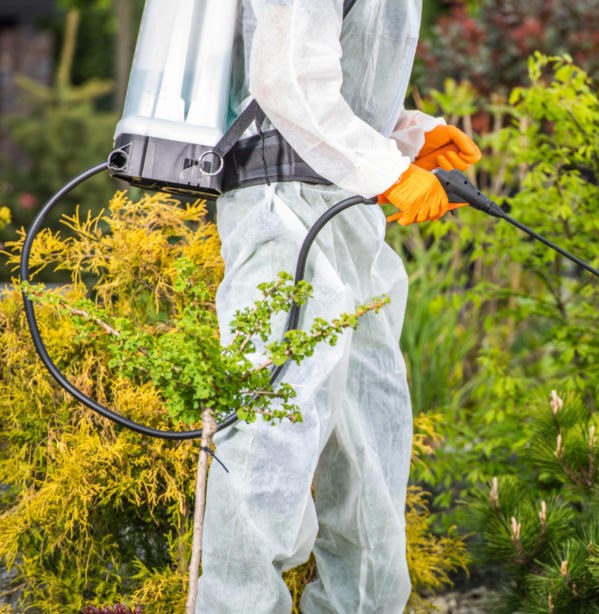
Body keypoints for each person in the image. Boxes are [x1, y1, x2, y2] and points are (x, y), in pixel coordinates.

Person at [194, 1, 480, 612]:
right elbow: (283, 79)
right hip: (281, 216)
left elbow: (331, 78)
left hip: (346, 217)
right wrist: (385, 170)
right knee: (267, 449)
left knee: (371, 443)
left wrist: (406, 136)